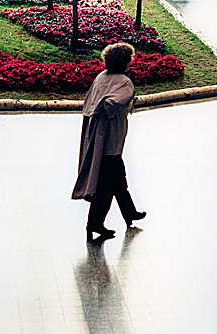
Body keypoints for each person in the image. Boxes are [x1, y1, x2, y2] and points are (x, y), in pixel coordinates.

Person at [71, 43, 146, 241]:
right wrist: (107, 108)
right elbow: (112, 105)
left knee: (117, 179)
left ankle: (130, 213)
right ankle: (95, 223)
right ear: (125, 62)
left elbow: (91, 103)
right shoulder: (125, 83)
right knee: (108, 185)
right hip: (111, 140)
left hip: (96, 138)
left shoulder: (100, 77)